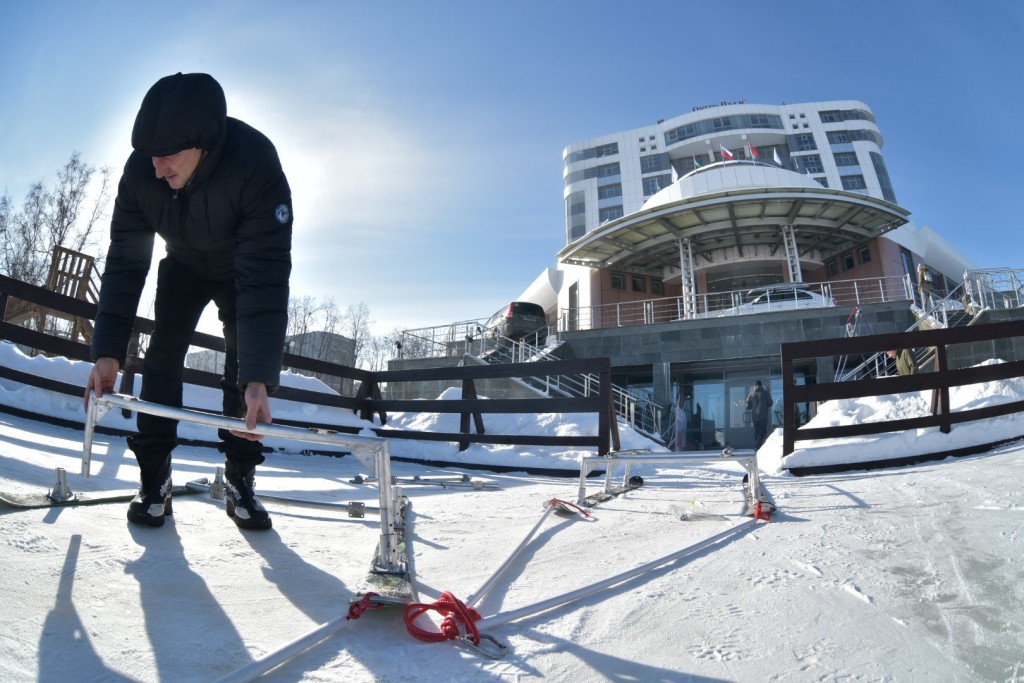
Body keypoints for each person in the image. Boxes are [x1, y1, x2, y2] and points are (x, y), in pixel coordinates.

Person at [83, 73, 293, 530]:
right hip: (181, 267)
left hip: (242, 270)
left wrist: (258, 377)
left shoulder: (255, 163)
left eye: (167, 156)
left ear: (202, 143)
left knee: (242, 370)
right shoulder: (142, 173)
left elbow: (266, 277)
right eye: (149, 155)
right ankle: (154, 479)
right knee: (162, 356)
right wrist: (108, 351)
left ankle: (241, 479)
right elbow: (124, 264)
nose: (157, 168)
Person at [745, 380, 774, 449]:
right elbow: (770, 403)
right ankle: (758, 446)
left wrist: (752, 405)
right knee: (763, 432)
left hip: (755, 417)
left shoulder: (751, 394)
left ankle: (758, 445)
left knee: (756, 431)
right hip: (763, 416)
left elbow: (747, 406)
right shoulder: (766, 393)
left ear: (755, 386)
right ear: (761, 385)